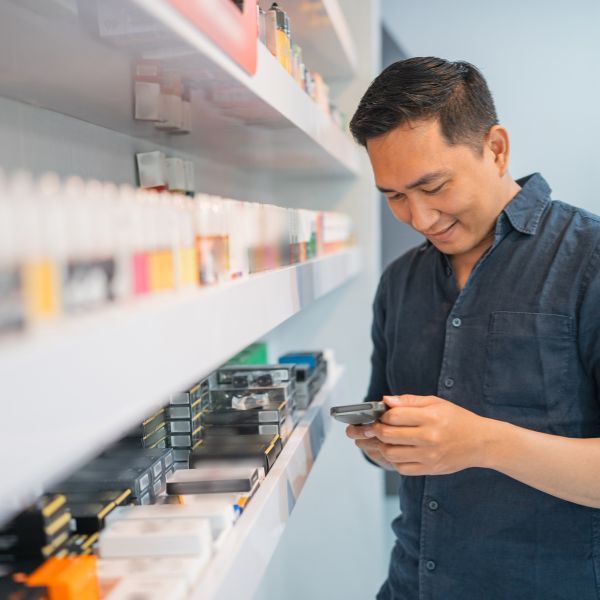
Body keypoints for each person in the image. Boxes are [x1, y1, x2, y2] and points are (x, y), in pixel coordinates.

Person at [346, 56, 600, 600]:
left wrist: (482, 443)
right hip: (411, 584)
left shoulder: (590, 261)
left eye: (433, 186)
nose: (418, 218)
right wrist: (383, 442)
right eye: (393, 196)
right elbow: (377, 436)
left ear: (497, 149)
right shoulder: (399, 283)